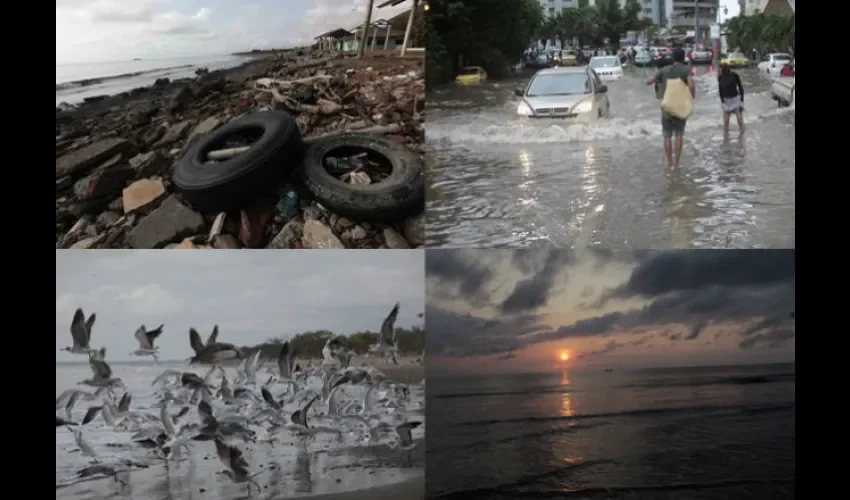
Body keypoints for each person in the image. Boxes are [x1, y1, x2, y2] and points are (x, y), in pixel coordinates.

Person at [646, 48, 695, 168]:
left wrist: (654, 80)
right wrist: (692, 98)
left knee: (667, 135)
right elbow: (691, 86)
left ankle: (669, 162)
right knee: (679, 134)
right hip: (680, 106)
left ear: (673, 58)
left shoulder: (664, 70)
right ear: (683, 58)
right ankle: (677, 163)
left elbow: (649, 81)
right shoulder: (685, 70)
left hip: (666, 106)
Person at [717, 63, 745, 138]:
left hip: (735, 99)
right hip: (726, 100)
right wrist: (722, 102)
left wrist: (742, 101)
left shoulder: (734, 75)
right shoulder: (720, 78)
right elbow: (720, 90)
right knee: (726, 121)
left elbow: (740, 87)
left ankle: (741, 137)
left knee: (739, 119)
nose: (718, 71)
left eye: (720, 70)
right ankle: (726, 137)